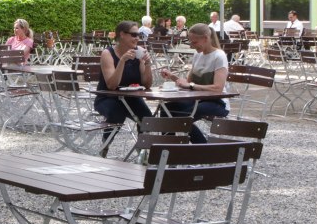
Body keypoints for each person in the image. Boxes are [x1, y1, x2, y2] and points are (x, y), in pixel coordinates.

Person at [160, 23, 229, 143]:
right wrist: (172, 77)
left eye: (194, 42)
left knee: (183, 117)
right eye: (190, 42)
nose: (191, 45)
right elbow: (189, 83)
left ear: (206, 39)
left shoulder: (219, 56)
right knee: (166, 108)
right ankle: (167, 148)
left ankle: (202, 148)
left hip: (218, 102)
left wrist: (190, 86)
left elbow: (218, 88)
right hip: (198, 99)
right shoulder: (198, 54)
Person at [94, 21, 153, 156]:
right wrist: (122, 61)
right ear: (122, 35)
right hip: (107, 97)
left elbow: (147, 84)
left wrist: (148, 64)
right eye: (133, 34)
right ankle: (105, 145)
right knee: (117, 113)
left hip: (131, 98)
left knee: (147, 119)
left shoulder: (139, 53)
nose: (137, 38)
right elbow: (111, 85)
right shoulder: (108, 54)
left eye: (138, 35)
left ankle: (142, 152)